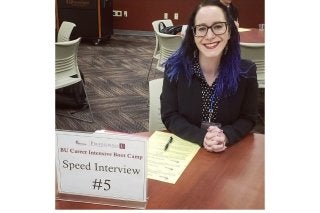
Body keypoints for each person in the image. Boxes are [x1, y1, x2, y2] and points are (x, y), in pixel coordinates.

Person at [160, 0, 258, 153]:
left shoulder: (246, 72)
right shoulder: (175, 69)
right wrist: (201, 137)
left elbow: (249, 118)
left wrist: (225, 136)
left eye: (218, 26)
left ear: (229, 31)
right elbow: (170, 115)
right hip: (187, 150)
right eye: (202, 28)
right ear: (193, 34)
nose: (210, 35)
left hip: (228, 153)